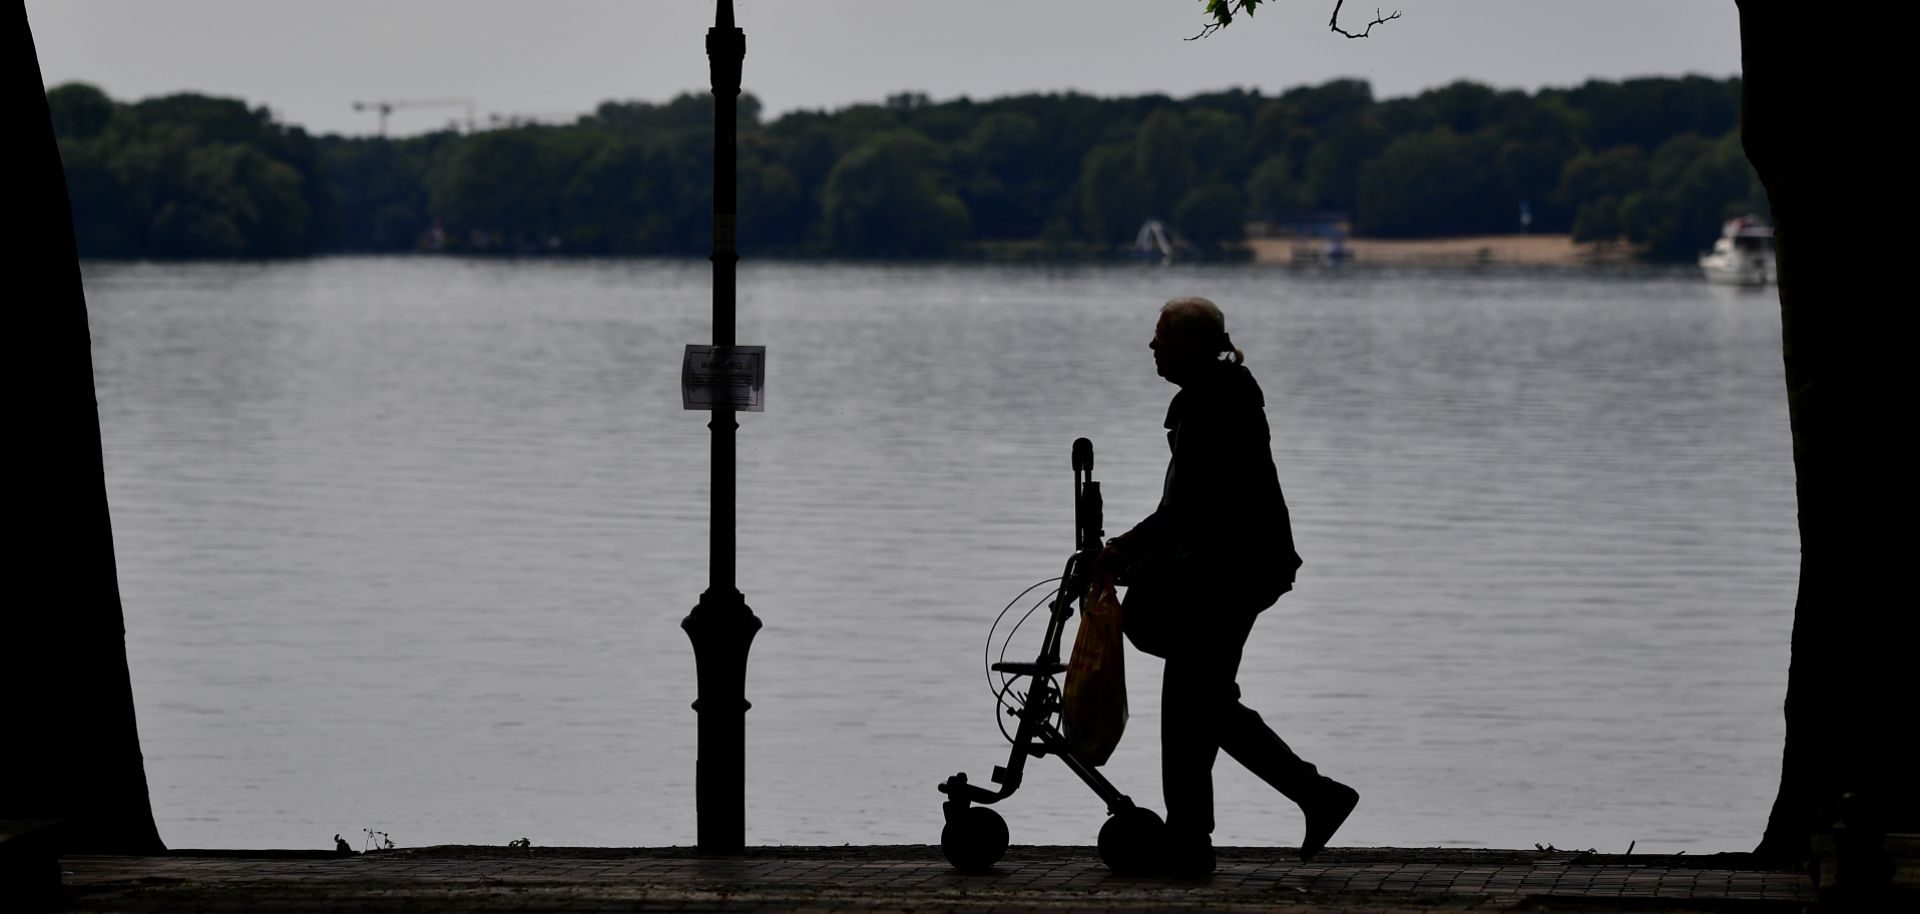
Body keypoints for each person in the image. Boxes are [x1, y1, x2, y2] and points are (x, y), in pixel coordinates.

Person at [1097, 296, 1358, 877]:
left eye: (1161, 336)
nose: (1152, 346)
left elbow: (1196, 510)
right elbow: (1187, 511)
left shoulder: (1221, 405)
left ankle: (1210, 836)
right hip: (1224, 571)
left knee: (1194, 703)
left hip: (1231, 575)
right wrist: (1135, 552)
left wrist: (1127, 551)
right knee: (1199, 702)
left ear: (1191, 345)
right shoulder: (1210, 398)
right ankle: (1219, 832)